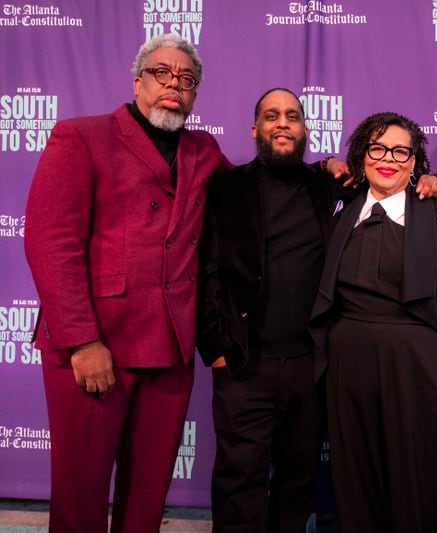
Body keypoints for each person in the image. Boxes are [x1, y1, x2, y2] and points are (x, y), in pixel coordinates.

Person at [196, 91, 437, 533]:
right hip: (244, 364)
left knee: (298, 482)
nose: (283, 124)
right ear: (255, 130)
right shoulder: (226, 188)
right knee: (239, 482)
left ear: (305, 130)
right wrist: (215, 347)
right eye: (271, 116)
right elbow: (204, 272)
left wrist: (428, 181)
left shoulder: (330, 185)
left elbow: (387, 183)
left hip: (310, 367)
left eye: (292, 116)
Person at [24, 34, 229, 532]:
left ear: (196, 94)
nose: (173, 86)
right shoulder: (81, 136)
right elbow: (51, 243)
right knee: (80, 493)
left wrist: (326, 174)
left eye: (186, 80)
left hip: (170, 349)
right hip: (97, 348)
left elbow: (255, 194)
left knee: (147, 497)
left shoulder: (204, 151)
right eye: (162, 73)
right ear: (138, 81)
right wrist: (81, 341)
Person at [309, 112, 437, 533]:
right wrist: (325, 163)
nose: (387, 158)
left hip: (424, 373)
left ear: (415, 162)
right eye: (377, 148)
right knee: (357, 485)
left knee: (420, 486)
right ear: (362, 156)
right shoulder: (344, 212)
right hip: (350, 374)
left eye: (400, 150)